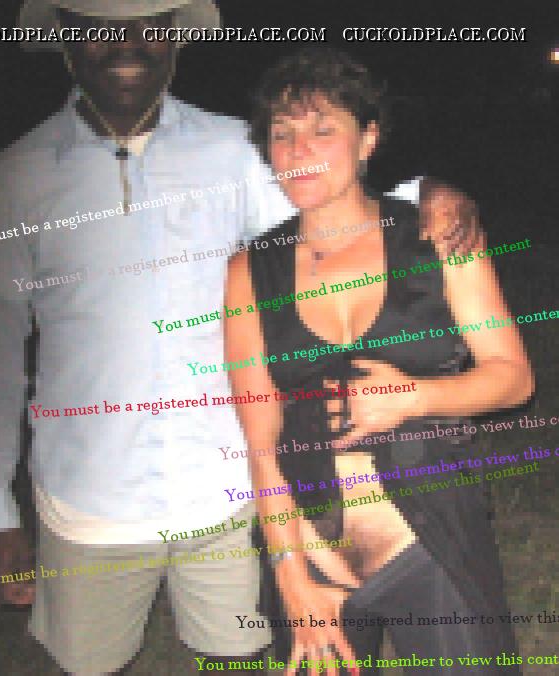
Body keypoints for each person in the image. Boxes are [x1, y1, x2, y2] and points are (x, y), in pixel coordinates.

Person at [0, 2, 482, 673]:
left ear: (175, 40)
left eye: (149, 23)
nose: (126, 41)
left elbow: (331, 203)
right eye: (98, 25)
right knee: (87, 665)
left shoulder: (232, 149)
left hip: (227, 490)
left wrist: (429, 191)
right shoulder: (14, 178)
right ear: (65, 41)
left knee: (240, 658)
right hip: (88, 498)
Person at [224, 47, 533, 674]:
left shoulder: (437, 236)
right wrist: (291, 573)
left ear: (368, 139)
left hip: (431, 544)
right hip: (315, 554)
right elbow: (261, 441)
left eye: (322, 129)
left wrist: (418, 396)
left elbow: (513, 377)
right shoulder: (250, 270)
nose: (298, 150)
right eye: (281, 134)